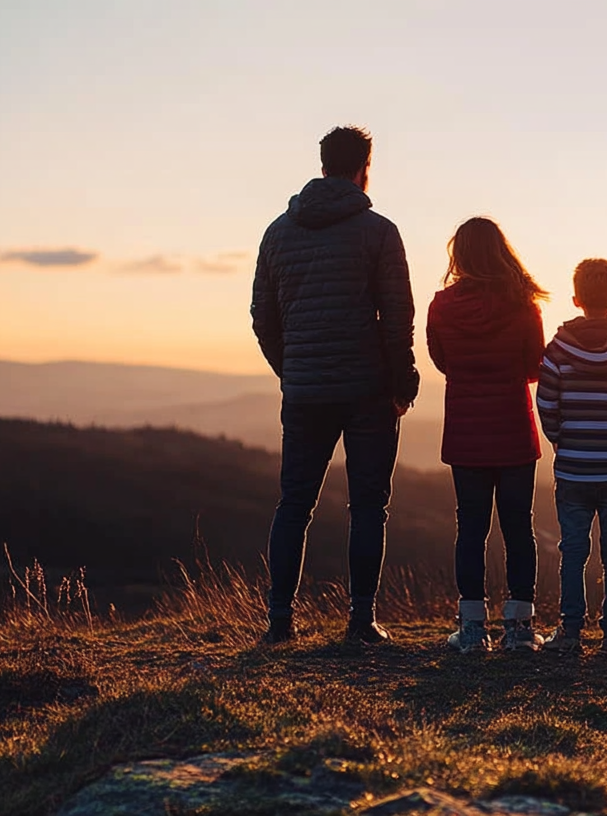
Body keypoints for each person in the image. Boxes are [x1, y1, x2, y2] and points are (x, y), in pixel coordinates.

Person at [250, 125, 419, 645]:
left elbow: (263, 316)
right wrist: (402, 380)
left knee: (293, 504)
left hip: (304, 392)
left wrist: (293, 367)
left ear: (323, 164)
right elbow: (397, 316)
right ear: (363, 167)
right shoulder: (379, 231)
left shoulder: (278, 232)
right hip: (368, 390)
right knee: (368, 505)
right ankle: (361, 621)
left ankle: (280, 620)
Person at [426, 217, 548, 653]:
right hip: (514, 428)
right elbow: (537, 365)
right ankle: (519, 630)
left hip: (465, 431)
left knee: (470, 529)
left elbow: (441, 360)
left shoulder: (441, 306)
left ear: (458, 255)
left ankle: (473, 630)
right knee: (519, 528)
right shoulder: (523, 305)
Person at [536, 258, 607, 653]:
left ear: (576, 298)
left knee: (573, 550)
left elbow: (546, 401)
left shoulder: (558, 347)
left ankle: (569, 632)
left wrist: (560, 440)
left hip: (573, 468)